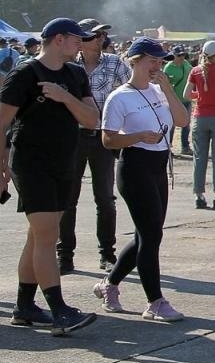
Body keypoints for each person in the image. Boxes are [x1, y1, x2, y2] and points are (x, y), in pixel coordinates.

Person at [0, 17, 100, 334]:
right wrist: (2, 168)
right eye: (76, 39)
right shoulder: (25, 73)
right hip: (31, 162)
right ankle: (59, 310)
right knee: (46, 234)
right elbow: (1, 123)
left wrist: (64, 96)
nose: (81, 44)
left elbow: (92, 120)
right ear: (58, 39)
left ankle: (24, 306)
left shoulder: (74, 73)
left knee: (39, 233)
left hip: (63, 161)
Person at [92, 37, 190, 322]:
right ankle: (155, 302)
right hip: (134, 166)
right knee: (151, 235)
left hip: (159, 166)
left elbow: (182, 120)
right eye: (152, 61)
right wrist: (137, 137)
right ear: (135, 62)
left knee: (146, 235)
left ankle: (108, 285)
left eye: (160, 62)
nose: (157, 66)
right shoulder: (120, 96)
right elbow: (108, 139)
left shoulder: (160, 91)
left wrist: (168, 87)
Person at [59, 18, 127, 275]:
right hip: (72, 137)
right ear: (81, 40)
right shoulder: (66, 66)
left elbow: (128, 94)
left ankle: (107, 254)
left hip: (102, 137)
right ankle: (65, 256)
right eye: (94, 36)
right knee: (67, 198)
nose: (101, 40)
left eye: (102, 37)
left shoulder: (114, 63)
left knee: (105, 199)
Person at [185, 41, 215, 209]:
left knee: (199, 157)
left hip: (200, 117)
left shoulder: (195, 71)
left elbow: (186, 94)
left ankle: (199, 195)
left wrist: (201, 94)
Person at [162, 47, 193, 155]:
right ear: (173, 55)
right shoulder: (168, 67)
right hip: (173, 101)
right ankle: (168, 147)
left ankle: (185, 147)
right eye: (179, 55)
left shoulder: (187, 65)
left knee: (186, 124)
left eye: (183, 55)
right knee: (171, 125)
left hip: (186, 100)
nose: (182, 57)